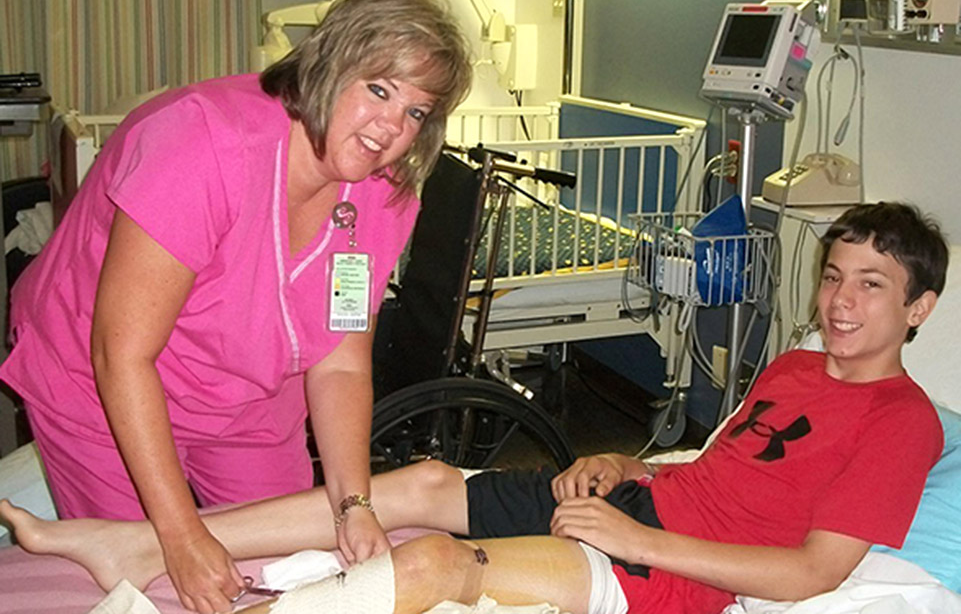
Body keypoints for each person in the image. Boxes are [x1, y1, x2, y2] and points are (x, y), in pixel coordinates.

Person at [0, 201, 949, 614]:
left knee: (438, 566)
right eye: (832, 277)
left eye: (869, 286)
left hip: (669, 573)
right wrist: (625, 469)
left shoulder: (906, 422)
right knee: (412, 482)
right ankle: (140, 542)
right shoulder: (790, 366)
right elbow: (714, 469)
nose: (837, 302)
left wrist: (637, 543)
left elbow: (814, 575)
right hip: (632, 505)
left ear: (918, 308)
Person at [0, 0, 471, 614]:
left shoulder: (386, 192)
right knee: (147, 581)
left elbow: (341, 362)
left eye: (417, 111)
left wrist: (353, 504)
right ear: (328, 63)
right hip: (100, 382)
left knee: (289, 572)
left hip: (246, 394)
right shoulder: (206, 144)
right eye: (379, 89)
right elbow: (122, 353)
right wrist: (179, 531)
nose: (392, 127)